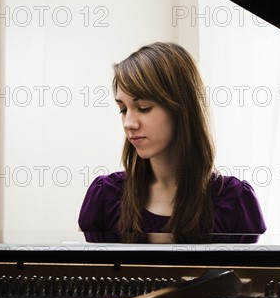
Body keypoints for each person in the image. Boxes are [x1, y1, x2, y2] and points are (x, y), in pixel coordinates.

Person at [78, 42, 266, 243]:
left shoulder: (236, 201)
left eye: (144, 107)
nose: (129, 124)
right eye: (123, 109)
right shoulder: (105, 197)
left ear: (182, 109)